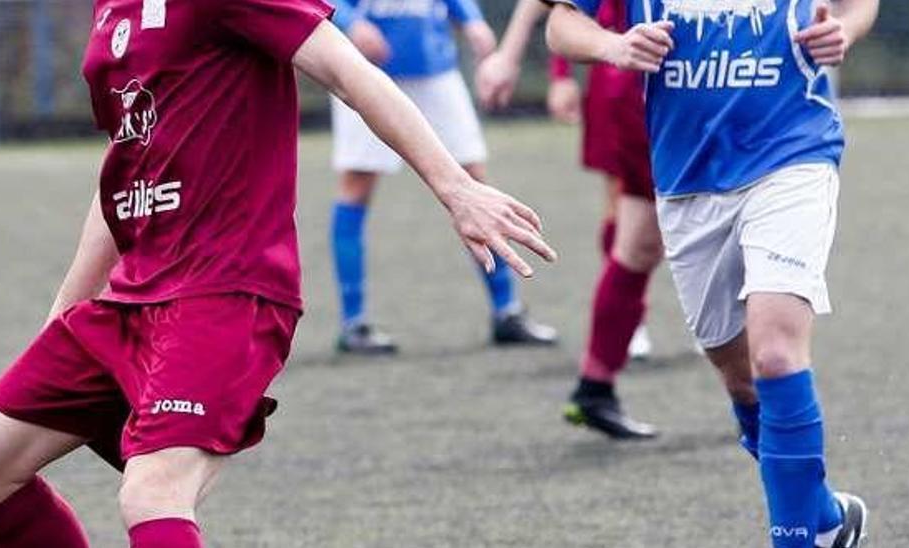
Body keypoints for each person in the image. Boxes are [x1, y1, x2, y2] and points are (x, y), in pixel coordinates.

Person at [0, 2, 557, 546]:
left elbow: (349, 71)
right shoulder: (111, 10)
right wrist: (64, 314)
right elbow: (128, 159)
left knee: (153, 495)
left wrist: (456, 188)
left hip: (225, 292)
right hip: (132, 298)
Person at [543, 0, 877, 546]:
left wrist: (846, 28)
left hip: (793, 153)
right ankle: (822, 512)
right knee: (738, 371)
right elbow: (559, 25)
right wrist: (613, 46)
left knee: (774, 352)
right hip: (687, 178)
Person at [329, 0, 559, 354]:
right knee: (356, 187)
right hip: (364, 68)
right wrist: (348, 20)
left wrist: (470, 19)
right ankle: (354, 322)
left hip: (435, 68)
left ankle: (506, 311)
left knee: (474, 181)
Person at [477, 0, 660, 439]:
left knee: (643, 234)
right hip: (637, 84)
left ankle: (599, 382)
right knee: (632, 215)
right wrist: (546, 70)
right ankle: (756, 394)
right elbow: (558, 10)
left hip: (687, 91)